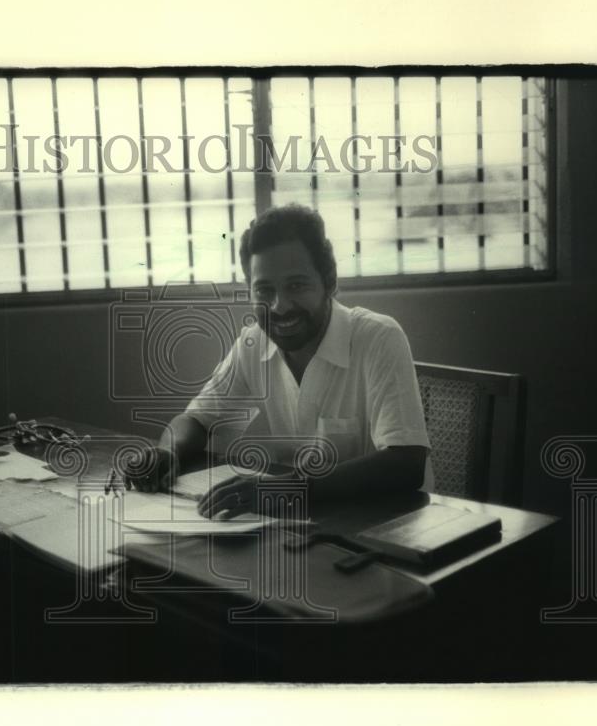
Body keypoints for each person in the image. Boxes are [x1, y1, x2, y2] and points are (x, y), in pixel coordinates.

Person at [122, 203, 433, 518]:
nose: (280, 306)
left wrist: (286, 490)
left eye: (296, 286)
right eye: (264, 290)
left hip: (386, 526)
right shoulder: (253, 342)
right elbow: (196, 419)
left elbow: (405, 464)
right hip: (309, 525)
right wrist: (166, 451)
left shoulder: (378, 337)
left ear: (330, 281)